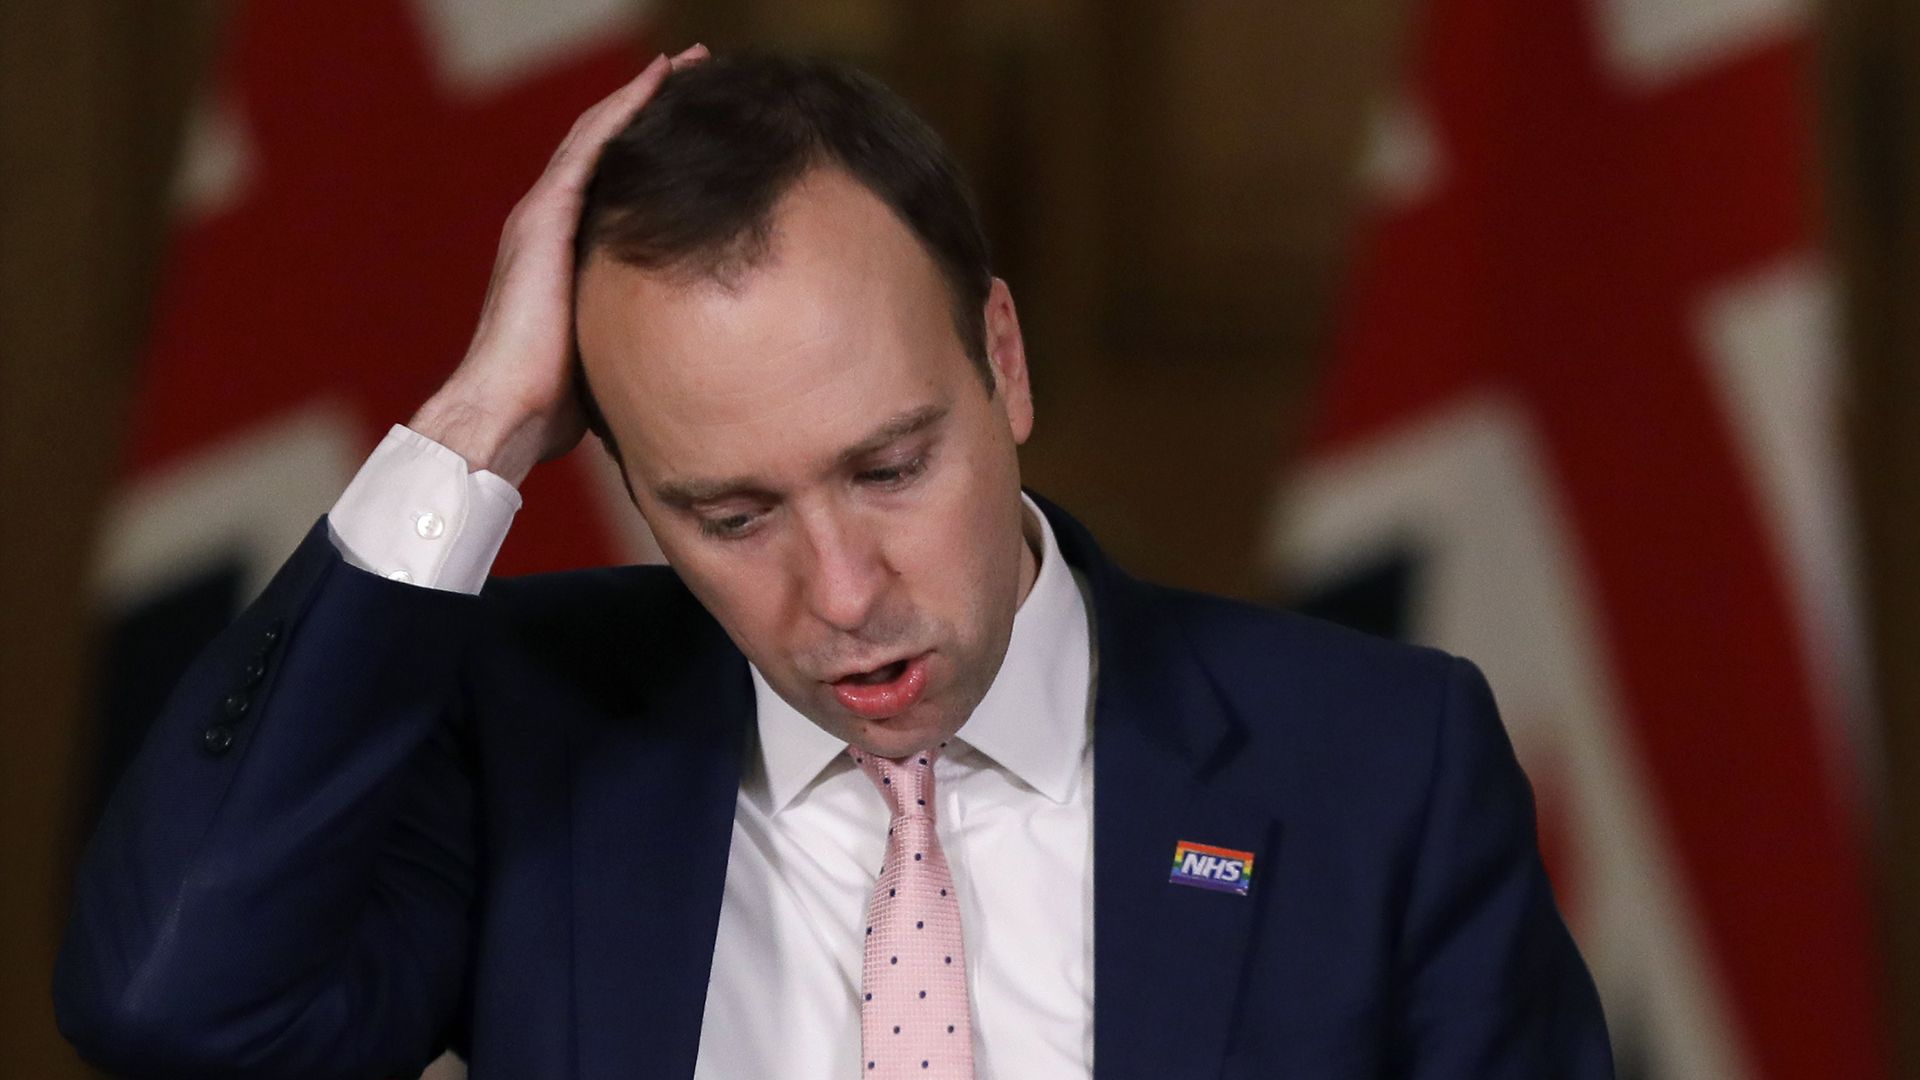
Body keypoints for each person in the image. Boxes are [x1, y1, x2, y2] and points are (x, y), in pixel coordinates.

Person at [54, 47, 1612, 1079]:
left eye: (889, 466)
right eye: (732, 518)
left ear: (1000, 361)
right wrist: (476, 425)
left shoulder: (1380, 762)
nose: (844, 594)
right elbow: (174, 1000)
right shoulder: (529, 739)